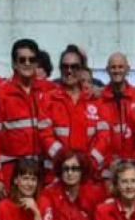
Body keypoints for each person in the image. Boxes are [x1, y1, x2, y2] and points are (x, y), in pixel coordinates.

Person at [0, 39, 58, 198]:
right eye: (22, 60)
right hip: (13, 172)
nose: (27, 63)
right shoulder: (1, 93)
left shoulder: (50, 90)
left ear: (36, 63)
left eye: (31, 60)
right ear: (14, 64)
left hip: (41, 172)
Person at [47, 46, 111, 178]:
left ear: (82, 70)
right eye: (65, 67)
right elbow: (45, 135)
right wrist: (64, 161)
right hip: (56, 175)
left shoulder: (96, 101)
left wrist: (89, 162)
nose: (69, 71)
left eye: (74, 67)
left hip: (90, 175)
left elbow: (104, 137)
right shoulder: (49, 99)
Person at [100, 52, 135, 165]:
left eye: (120, 67)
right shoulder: (99, 98)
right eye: (113, 67)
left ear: (128, 69)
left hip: (134, 165)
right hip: (107, 166)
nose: (117, 71)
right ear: (107, 70)